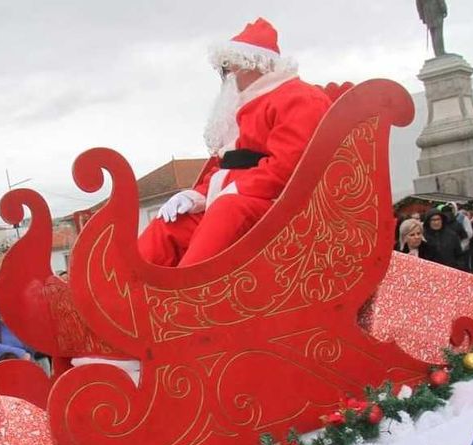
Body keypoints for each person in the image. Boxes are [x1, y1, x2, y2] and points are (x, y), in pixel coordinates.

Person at [137, 18, 332, 268]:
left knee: (228, 209)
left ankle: (187, 294)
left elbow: (289, 167)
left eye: (227, 69)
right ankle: (126, 288)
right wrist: (195, 196)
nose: (226, 77)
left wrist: (234, 191)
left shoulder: (299, 98)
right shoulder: (246, 107)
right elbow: (231, 168)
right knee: (172, 222)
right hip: (242, 204)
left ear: (251, 64)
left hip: (282, 209)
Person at [0, 278, 35, 365]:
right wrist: (21, 354)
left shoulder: (19, 316)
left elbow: (32, 347)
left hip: (25, 370)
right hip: (2, 371)